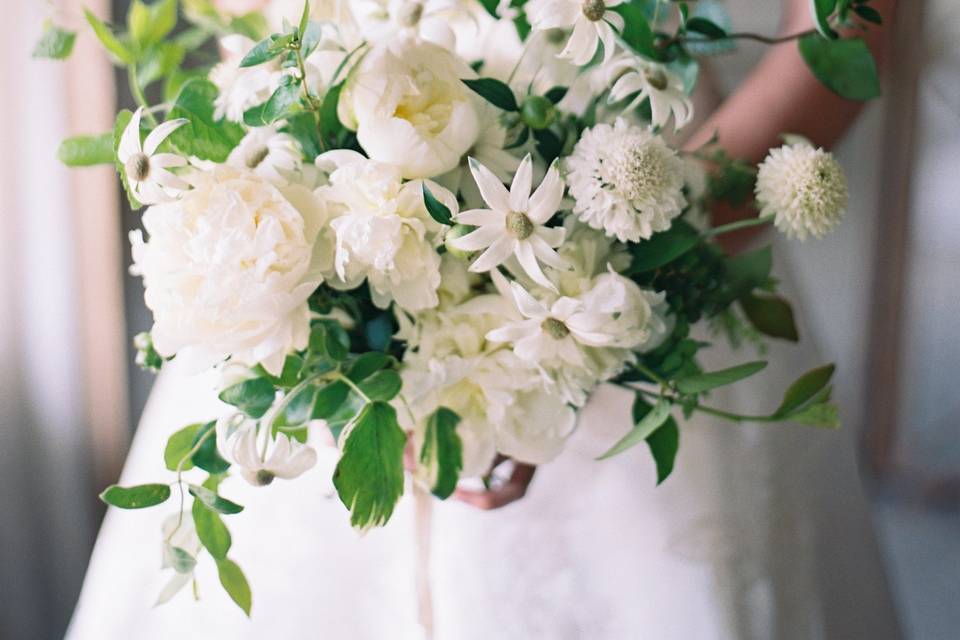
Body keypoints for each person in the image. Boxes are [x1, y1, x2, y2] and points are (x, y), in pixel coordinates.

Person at [67, 1, 901, 638]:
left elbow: (846, 33)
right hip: (329, 195)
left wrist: (623, 246)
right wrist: (307, 240)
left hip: (634, 226)